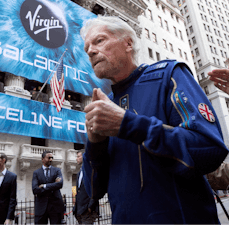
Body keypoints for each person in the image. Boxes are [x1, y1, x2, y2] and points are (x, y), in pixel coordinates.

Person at [80, 15, 228, 224]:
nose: (91, 51)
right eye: (87, 48)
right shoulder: (106, 105)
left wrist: (128, 124)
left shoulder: (169, 75)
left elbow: (210, 148)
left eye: (99, 41)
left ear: (128, 43)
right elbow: (94, 190)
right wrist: (95, 144)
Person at [32, 150, 64, 225]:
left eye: (52, 158)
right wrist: (53, 186)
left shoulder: (57, 170)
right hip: (41, 207)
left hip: (56, 206)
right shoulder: (36, 173)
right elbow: (35, 189)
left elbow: (60, 184)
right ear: (42, 159)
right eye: (49, 158)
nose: (51, 160)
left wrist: (44, 186)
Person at [73, 151, 99, 225]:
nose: (76, 158)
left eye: (78, 156)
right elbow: (79, 190)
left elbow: (95, 189)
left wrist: (90, 206)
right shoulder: (79, 173)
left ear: (84, 156)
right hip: (79, 210)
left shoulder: (92, 170)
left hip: (88, 209)